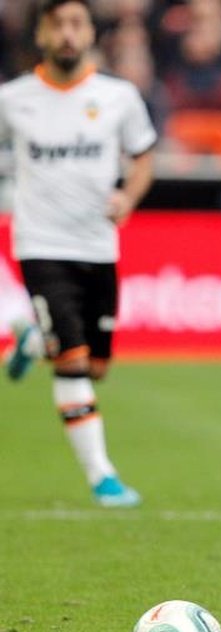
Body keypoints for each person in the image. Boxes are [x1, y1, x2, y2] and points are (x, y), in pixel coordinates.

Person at [1, 0, 155, 507]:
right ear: (41, 34)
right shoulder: (13, 100)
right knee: (71, 361)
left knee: (95, 368)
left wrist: (128, 198)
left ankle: (30, 340)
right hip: (41, 245)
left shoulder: (118, 97)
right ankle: (102, 476)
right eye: (57, 24)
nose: (67, 34)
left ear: (90, 32)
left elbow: (143, 157)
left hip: (98, 246)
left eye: (76, 23)